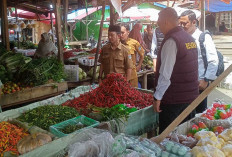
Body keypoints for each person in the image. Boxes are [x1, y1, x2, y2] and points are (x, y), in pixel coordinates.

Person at [153, 7, 199, 133]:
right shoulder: (189, 38)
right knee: (185, 135)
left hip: (174, 100)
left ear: (166, 22)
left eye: (159, 24)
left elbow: (165, 74)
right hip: (190, 97)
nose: (159, 28)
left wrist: (157, 97)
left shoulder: (172, 41)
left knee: (168, 138)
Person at [179, 10, 219, 113]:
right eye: (181, 23)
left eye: (185, 23)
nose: (182, 26)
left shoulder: (203, 37)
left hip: (199, 84)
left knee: (199, 114)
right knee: (185, 114)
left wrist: (206, 80)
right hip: (184, 84)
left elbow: (213, 60)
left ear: (194, 22)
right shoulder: (182, 38)